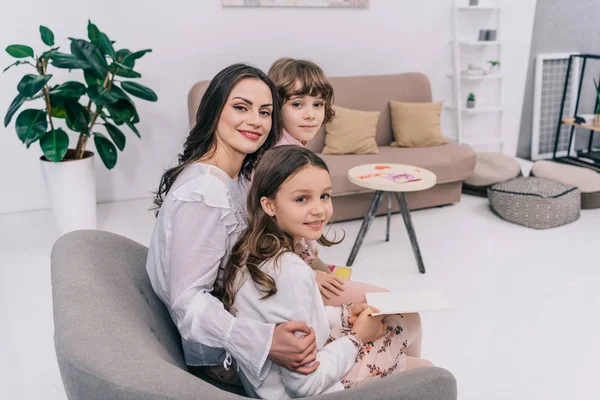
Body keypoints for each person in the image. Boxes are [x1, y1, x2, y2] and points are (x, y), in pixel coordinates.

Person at [146, 63, 319, 387]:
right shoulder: (204, 194)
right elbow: (189, 303)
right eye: (241, 107)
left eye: (265, 112)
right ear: (213, 111)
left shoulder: (235, 179)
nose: (256, 120)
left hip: (261, 311)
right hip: (230, 360)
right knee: (398, 330)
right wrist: (266, 341)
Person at [220, 145, 416, 398]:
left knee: (397, 324)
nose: (319, 210)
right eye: (302, 199)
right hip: (296, 392)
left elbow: (290, 318)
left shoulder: (254, 248)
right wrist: (357, 338)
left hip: (267, 383)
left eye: (324, 196)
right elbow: (303, 386)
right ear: (269, 205)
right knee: (413, 347)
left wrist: (342, 318)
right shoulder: (289, 271)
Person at [267, 57, 426, 360]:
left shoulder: (292, 148)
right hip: (293, 272)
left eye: (318, 104)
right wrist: (310, 274)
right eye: (297, 104)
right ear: (277, 106)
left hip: (303, 263)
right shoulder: (281, 160)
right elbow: (259, 233)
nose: (311, 114)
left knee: (402, 311)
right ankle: (413, 375)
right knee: (400, 307)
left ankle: (413, 372)